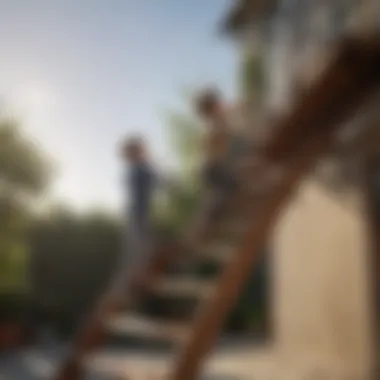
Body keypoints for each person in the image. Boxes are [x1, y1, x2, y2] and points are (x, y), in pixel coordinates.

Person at [120, 136, 158, 278]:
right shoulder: (139, 169)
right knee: (139, 247)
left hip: (139, 214)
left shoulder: (139, 168)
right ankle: (137, 276)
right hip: (137, 214)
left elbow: (155, 180)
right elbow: (155, 180)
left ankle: (140, 274)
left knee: (141, 247)